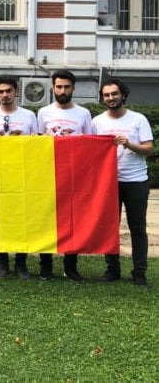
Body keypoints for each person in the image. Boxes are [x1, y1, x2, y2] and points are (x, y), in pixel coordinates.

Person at [92, 79, 153, 286]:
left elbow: (149, 149)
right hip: (108, 183)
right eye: (106, 95)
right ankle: (112, 270)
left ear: (123, 95)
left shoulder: (138, 119)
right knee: (110, 228)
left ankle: (139, 273)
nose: (111, 98)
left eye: (114, 94)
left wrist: (128, 144)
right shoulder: (97, 122)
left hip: (136, 181)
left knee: (138, 228)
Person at [0, 76, 38, 279]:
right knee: (0, 218)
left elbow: (37, 144)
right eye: (1, 91)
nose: (5, 95)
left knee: (22, 218)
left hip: (22, 173)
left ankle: (21, 262)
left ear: (16, 92)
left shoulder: (29, 115)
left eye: (8, 91)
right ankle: (2, 261)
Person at [37, 70, 92, 282]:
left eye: (67, 87)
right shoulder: (43, 112)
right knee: (47, 218)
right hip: (49, 173)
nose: (63, 90)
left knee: (73, 220)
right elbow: (38, 142)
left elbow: (90, 143)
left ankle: (70, 267)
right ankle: (46, 266)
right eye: (59, 87)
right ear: (53, 88)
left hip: (74, 175)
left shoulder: (84, 113)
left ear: (73, 88)